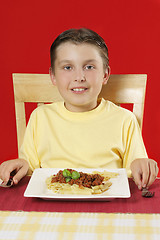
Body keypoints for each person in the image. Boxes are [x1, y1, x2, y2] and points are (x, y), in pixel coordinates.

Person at [0, 28, 158, 190]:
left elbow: (136, 171)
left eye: (89, 67)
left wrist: (143, 165)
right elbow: (30, 170)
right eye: (68, 67)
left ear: (105, 74)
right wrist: (21, 165)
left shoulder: (125, 119)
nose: (79, 77)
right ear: (53, 76)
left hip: (107, 206)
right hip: (52, 203)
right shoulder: (40, 117)